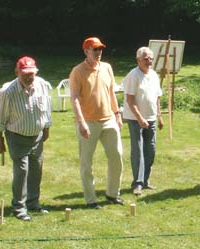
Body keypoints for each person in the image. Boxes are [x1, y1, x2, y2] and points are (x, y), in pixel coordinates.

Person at [70, 37, 125, 209]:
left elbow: (111, 93)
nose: (99, 52)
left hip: (109, 120)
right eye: (95, 49)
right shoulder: (77, 71)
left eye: (100, 49)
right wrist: (81, 122)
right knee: (87, 162)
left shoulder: (107, 67)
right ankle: (91, 199)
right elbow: (74, 98)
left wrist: (117, 114)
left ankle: (112, 193)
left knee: (117, 157)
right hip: (88, 122)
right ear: (86, 51)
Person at [0, 56, 52, 221]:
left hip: (37, 136)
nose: (29, 77)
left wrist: (46, 129)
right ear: (17, 72)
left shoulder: (42, 84)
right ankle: (19, 208)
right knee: (22, 171)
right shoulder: (8, 92)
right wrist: (0, 140)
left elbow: (47, 109)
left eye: (31, 73)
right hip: (16, 137)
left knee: (36, 170)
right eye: (25, 74)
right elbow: (1, 118)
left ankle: (33, 203)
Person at [122, 47, 164, 196]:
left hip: (151, 118)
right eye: (146, 58)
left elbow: (157, 97)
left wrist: (159, 116)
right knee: (138, 151)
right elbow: (130, 99)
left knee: (150, 150)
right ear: (138, 60)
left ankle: (146, 181)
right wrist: (140, 118)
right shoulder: (133, 75)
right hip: (135, 119)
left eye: (151, 58)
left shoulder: (154, 75)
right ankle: (137, 183)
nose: (149, 61)